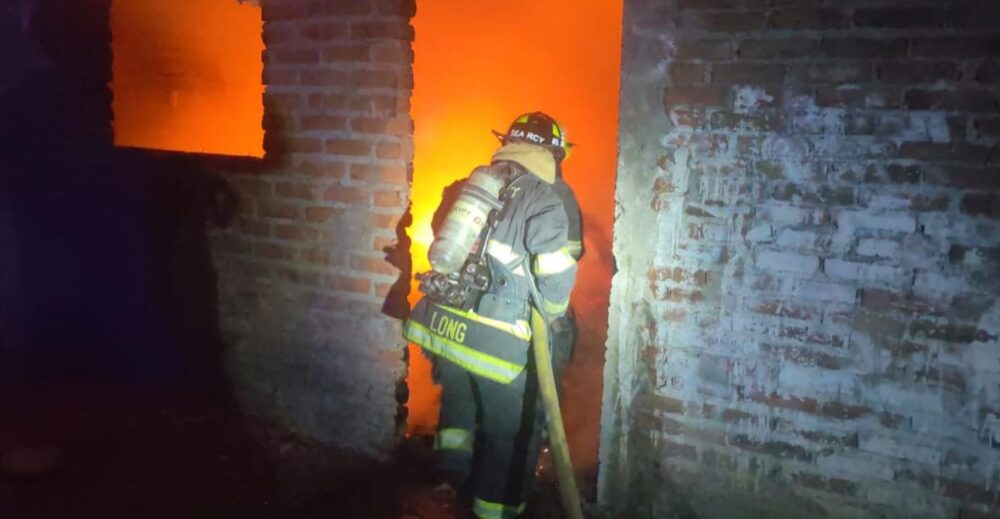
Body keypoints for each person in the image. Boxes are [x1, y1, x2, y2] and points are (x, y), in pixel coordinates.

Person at [404, 112, 582, 518]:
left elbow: (442, 235)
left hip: (446, 328)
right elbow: (558, 274)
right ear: (554, 154)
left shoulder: (472, 184)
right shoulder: (549, 198)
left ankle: (449, 475)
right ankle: (493, 510)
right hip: (495, 343)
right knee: (512, 432)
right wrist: (554, 315)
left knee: (458, 400)